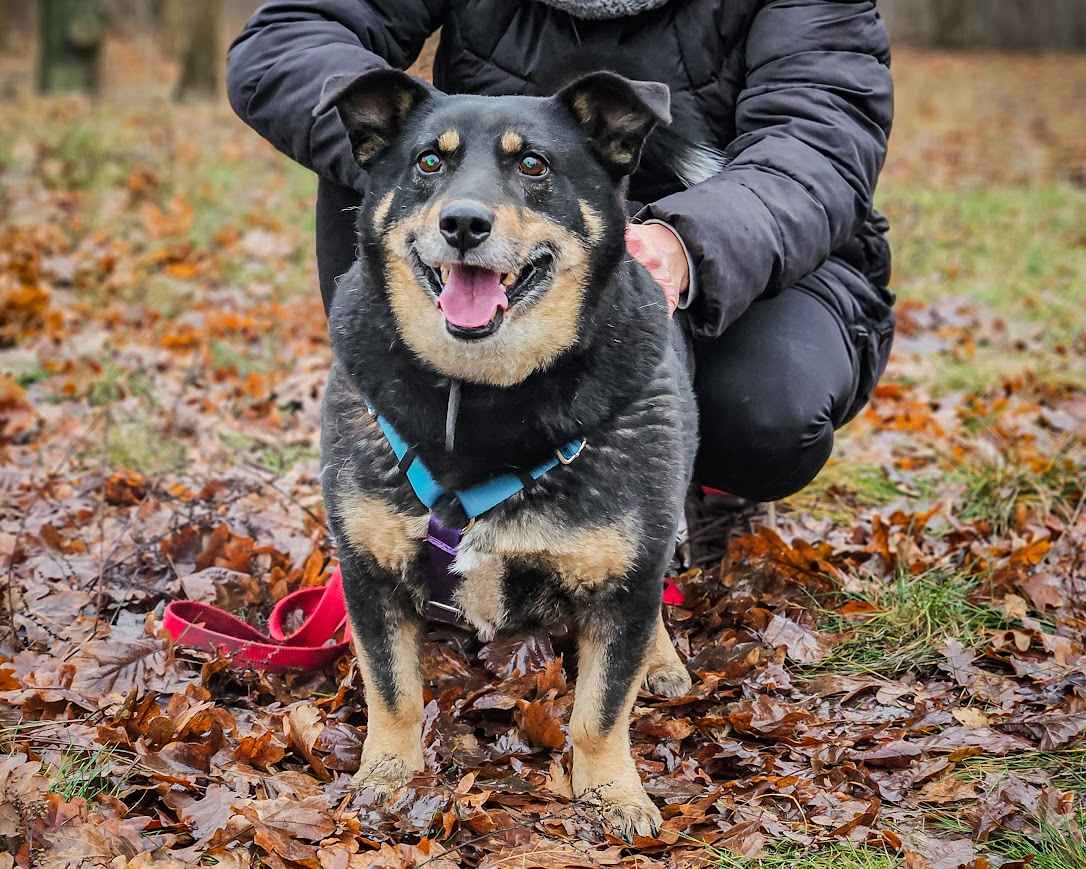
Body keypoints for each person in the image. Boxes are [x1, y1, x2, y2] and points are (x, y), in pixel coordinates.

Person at [227, 0, 895, 504]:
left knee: (766, 414)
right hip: (492, 215)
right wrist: (422, 160)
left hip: (734, 248)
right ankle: (417, 458)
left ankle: (669, 483)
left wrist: (685, 244)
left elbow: (819, 144)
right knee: (377, 179)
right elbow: (288, 36)